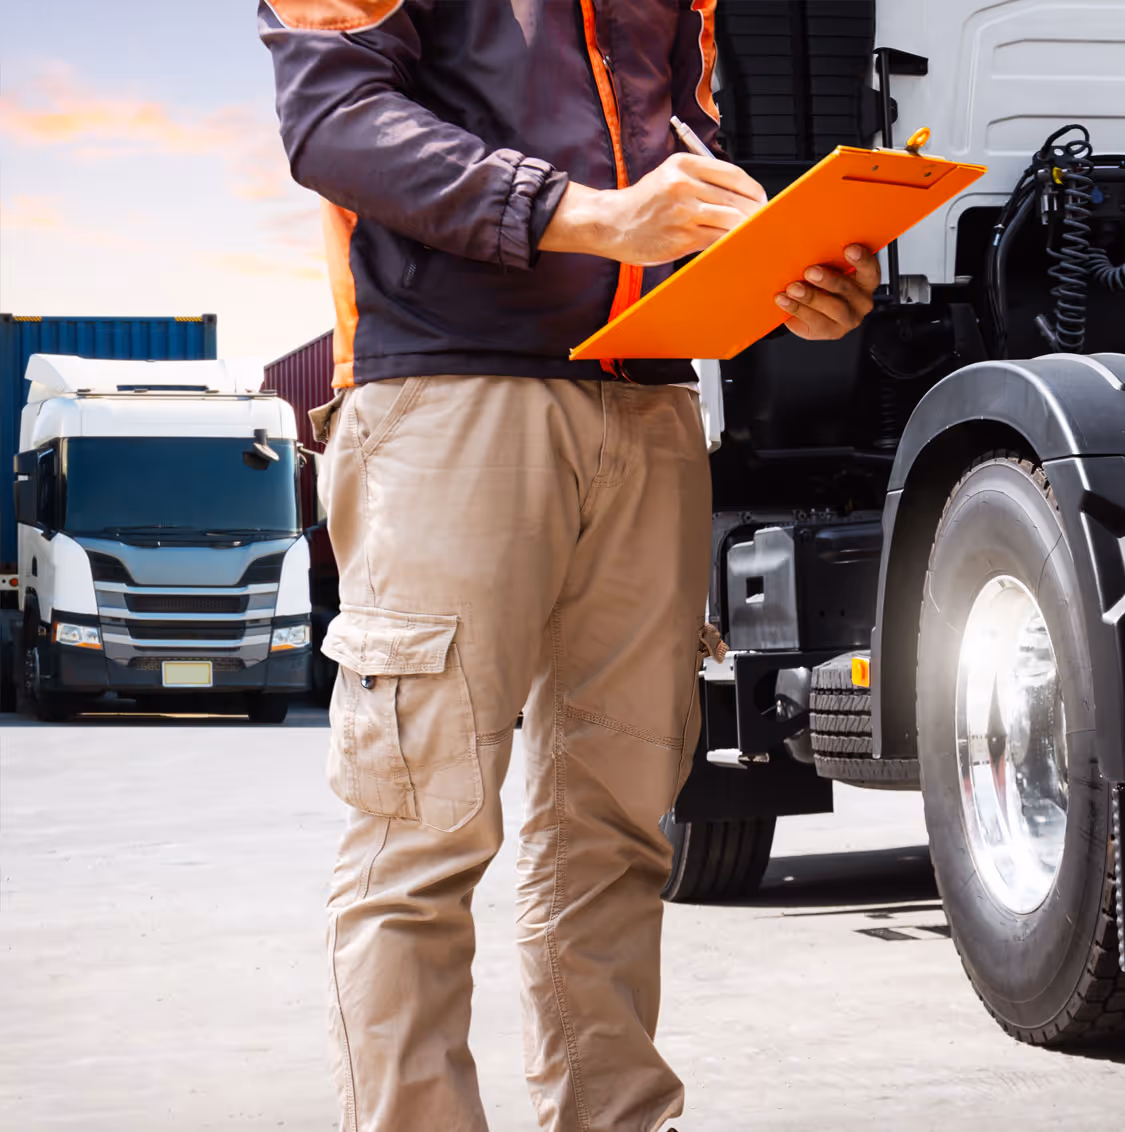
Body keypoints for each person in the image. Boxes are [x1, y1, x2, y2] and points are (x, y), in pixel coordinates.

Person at [260, 4, 879, 1130]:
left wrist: (786, 281)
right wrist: (592, 217)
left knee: (616, 829)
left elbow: (681, 159)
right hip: (448, 398)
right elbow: (335, 119)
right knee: (421, 830)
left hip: (647, 401)